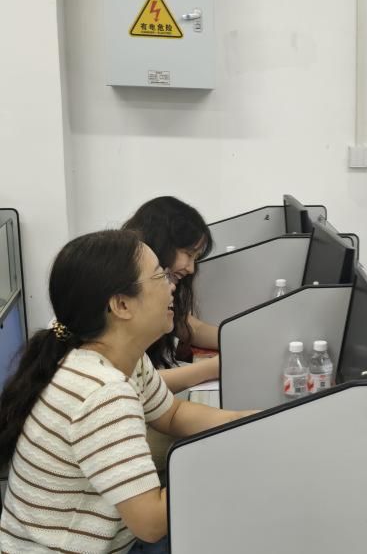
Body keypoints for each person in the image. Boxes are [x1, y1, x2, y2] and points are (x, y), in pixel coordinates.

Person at [0, 230, 254, 552]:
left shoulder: (122, 357)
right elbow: (151, 524)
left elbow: (173, 413)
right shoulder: (101, 393)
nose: (172, 286)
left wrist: (248, 422)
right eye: (160, 276)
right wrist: (228, 455)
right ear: (121, 305)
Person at [123, 196, 218, 393]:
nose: (191, 268)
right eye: (188, 254)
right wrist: (213, 368)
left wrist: (235, 340)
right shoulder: (125, 291)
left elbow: (186, 325)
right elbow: (135, 383)